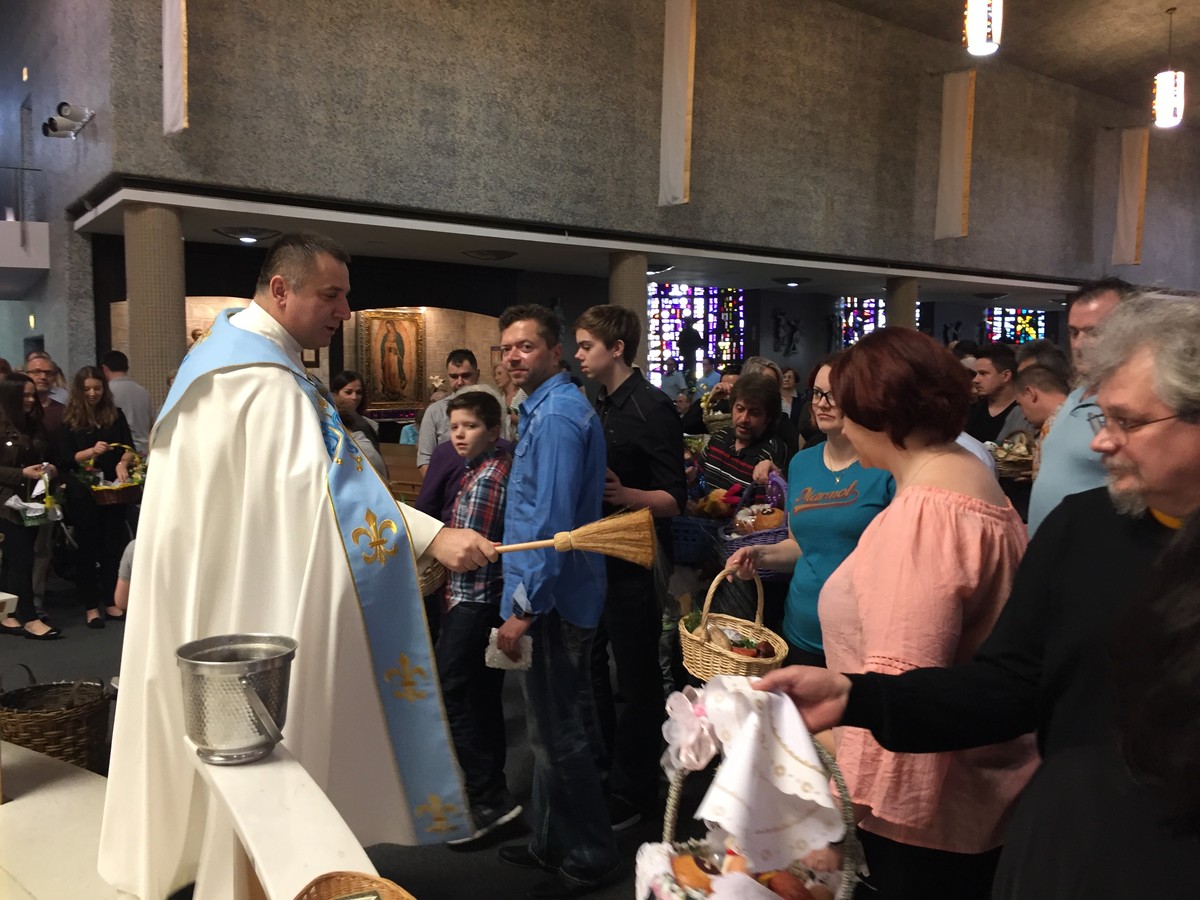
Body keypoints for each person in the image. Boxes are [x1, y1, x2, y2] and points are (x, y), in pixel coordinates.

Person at [756, 294, 1200, 899]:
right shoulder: (1082, 527)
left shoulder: (932, 511)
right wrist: (857, 697)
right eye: (1104, 417)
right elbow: (1010, 684)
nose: (1101, 444)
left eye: (1129, 422)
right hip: (1073, 833)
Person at [99, 233, 498, 900]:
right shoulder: (261, 380)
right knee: (261, 741)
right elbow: (325, 495)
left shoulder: (222, 358)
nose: (345, 310)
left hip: (214, 579)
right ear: (281, 290)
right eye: (331, 295)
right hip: (249, 592)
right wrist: (432, 536)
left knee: (217, 736)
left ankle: (217, 865)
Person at [797, 329, 1037, 898]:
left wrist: (837, 819)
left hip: (928, 818)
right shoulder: (968, 478)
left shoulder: (926, 515)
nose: (842, 423)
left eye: (847, 408)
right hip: (976, 787)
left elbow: (902, 690)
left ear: (879, 416)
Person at [493, 304, 619, 898]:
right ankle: (549, 839)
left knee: (560, 732)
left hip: (552, 601)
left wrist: (524, 609)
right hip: (545, 593)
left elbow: (554, 528)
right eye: (506, 348)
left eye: (525, 346)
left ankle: (593, 851)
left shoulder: (560, 417)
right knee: (546, 730)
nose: (513, 357)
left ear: (555, 351)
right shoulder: (541, 409)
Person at [575, 304, 687, 831]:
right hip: (599, 548)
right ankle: (606, 770)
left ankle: (636, 790)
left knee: (637, 677)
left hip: (637, 554)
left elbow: (675, 498)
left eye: (586, 346)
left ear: (616, 349)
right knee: (593, 663)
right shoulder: (599, 401)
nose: (578, 355)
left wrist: (627, 494)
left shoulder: (652, 406)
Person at [730, 354, 894, 667]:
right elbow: (799, 547)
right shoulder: (802, 462)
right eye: (817, 393)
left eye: (834, 394)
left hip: (864, 636)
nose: (821, 403)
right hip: (801, 630)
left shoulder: (885, 465)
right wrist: (758, 554)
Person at [437, 390, 522, 847]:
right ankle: (493, 794)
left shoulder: (491, 476)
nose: (459, 435)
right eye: (454, 427)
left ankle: (487, 797)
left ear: (493, 431)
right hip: (475, 599)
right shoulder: (477, 468)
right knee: (481, 696)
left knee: (453, 693)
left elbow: (470, 549)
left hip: (474, 599)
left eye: (469, 426)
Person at [1027, 277, 1131, 534]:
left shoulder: (1136, 406)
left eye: (1094, 332)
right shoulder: (1077, 394)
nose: (1079, 344)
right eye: (1074, 332)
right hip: (1049, 551)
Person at [57, 366, 136, 628]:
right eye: (87, 389)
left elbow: (128, 448)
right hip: (83, 492)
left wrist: (122, 463)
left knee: (112, 546)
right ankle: (91, 606)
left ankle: (111, 601)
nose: (93, 393)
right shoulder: (69, 420)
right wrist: (91, 451)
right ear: (79, 391)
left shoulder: (115, 415)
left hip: (112, 490)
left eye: (97, 388)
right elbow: (65, 459)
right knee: (87, 548)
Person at [0, 373, 60, 640]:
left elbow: (46, 454)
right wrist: (21, 474)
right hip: (5, 503)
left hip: (32, 500)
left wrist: (49, 468)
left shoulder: (34, 424)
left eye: (32, 394)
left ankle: (7, 613)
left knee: (16, 560)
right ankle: (29, 617)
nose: (30, 399)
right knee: (20, 559)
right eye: (24, 395)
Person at [699, 374, 788, 495]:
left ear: (768, 418)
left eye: (754, 413)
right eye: (740, 409)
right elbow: (698, 479)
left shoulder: (767, 457)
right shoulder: (720, 437)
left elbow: (767, 506)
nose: (744, 419)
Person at [417, 349, 481, 474]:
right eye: (454, 376)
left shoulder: (490, 406)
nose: (460, 382)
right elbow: (424, 459)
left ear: (477, 374)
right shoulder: (435, 411)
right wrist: (437, 484)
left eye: (466, 376)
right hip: (447, 480)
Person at [966, 344, 1029, 444]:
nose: (975, 380)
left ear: (1006, 376)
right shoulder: (971, 411)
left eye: (983, 373)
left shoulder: (1024, 414)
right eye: (976, 374)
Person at [330, 369, 387, 478]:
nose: (354, 397)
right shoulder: (330, 422)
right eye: (348, 392)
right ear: (336, 393)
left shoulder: (369, 424)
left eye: (359, 392)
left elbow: (376, 462)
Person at [101, 349, 155, 457]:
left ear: (105, 369)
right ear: (127, 368)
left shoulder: (106, 392)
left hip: (120, 452)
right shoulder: (143, 391)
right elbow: (150, 424)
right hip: (144, 451)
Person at [379, 318, 407, 397]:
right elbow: (382, 347)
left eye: (390, 326)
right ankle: (388, 389)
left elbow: (401, 347)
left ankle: (397, 388)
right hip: (387, 357)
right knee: (388, 373)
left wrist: (395, 347)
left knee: (395, 372)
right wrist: (387, 345)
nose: (389, 328)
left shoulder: (398, 336)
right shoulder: (385, 336)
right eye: (387, 327)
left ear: (393, 326)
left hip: (395, 357)